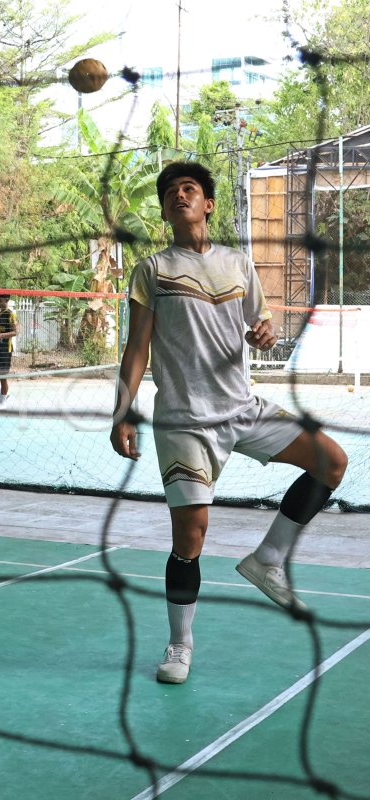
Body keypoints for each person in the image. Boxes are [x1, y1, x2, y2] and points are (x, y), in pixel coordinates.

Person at [110, 162, 347, 684]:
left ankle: (269, 558)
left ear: (208, 204)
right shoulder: (152, 269)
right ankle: (179, 645)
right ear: (165, 207)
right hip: (184, 422)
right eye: (171, 191)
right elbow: (136, 347)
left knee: (332, 461)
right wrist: (122, 409)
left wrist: (265, 334)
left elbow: (260, 326)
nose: (180, 195)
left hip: (242, 408)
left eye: (189, 189)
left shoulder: (238, 264)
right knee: (190, 536)